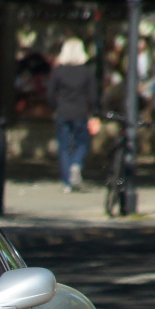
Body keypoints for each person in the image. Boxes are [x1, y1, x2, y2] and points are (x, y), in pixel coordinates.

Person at [46, 37, 100, 193]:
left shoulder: (59, 71)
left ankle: (67, 182)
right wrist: (94, 112)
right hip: (80, 112)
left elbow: (50, 94)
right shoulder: (87, 71)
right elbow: (93, 95)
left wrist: (54, 108)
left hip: (63, 111)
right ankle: (76, 164)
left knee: (63, 147)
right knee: (82, 143)